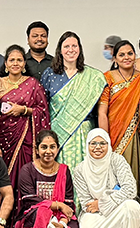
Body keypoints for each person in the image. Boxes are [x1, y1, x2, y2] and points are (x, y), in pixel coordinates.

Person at [11, 130, 83, 228]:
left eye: (52, 147)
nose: (48, 151)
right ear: (37, 150)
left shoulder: (64, 171)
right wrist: (58, 205)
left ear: (58, 149)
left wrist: (61, 224)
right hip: (32, 219)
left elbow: (68, 203)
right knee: (42, 212)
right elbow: (29, 201)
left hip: (59, 218)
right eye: (44, 147)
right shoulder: (27, 170)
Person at [72, 129, 140, 228]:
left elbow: (130, 189)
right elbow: (86, 203)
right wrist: (99, 207)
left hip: (118, 209)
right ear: (87, 145)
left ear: (108, 144)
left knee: (132, 206)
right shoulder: (80, 170)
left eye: (102, 143)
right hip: (96, 214)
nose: (98, 147)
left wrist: (102, 204)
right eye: (93, 143)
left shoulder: (117, 160)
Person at [41, 32, 106, 169]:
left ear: (79, 49)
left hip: (84, 132)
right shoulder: (49, 74)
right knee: (61, 172)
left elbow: (101, 111)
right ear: (60, 50)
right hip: (58, 134)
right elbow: (43, 108)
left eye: (74, 46)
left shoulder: (93, 77)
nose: (71, 50)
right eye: (66, 46)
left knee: (84, 172)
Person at [0, 45, 52, 175]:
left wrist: (23, 110)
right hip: (4, 139)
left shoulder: (33, 84)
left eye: (19, 60)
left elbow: (43, 111)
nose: (15, 63)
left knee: (26, 173)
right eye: (12, 60)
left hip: (27, 140)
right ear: (6, 63)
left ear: (24, 64)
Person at [97, 40, 140, 181]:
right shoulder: (106, 78)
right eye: (122, 55)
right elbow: (102, 112)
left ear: (135, 55)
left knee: (132, 173)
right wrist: (105, 140)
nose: (126, 57)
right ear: (115, 59)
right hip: (112, 131)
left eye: (130, 54)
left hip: (134, 133)